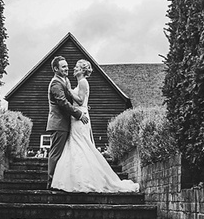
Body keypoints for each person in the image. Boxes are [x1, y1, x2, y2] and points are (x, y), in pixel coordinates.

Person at [47, 60, 137, 193]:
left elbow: (80, 100)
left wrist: (69, 91)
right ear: (56, 69)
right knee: (75, 147)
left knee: (82, 146)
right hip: (74, 118)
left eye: (76, 67)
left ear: (83, 70)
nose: (72, 68)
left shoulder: (82, 82)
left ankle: (84, 179)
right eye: (66, 66)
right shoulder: (60, 83)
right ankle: (70, 179)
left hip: (79, 119)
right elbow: (64, 101)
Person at [44, 56, 76, 158]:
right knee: (56, 154)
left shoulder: (66, 80)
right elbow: (62, 102)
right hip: (59, 124)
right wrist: (78, 114)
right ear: (56, 69)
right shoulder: (55, 83)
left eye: (67, 66)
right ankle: (51, 175)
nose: (67, 68)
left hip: (65, 123)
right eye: (63, 67)